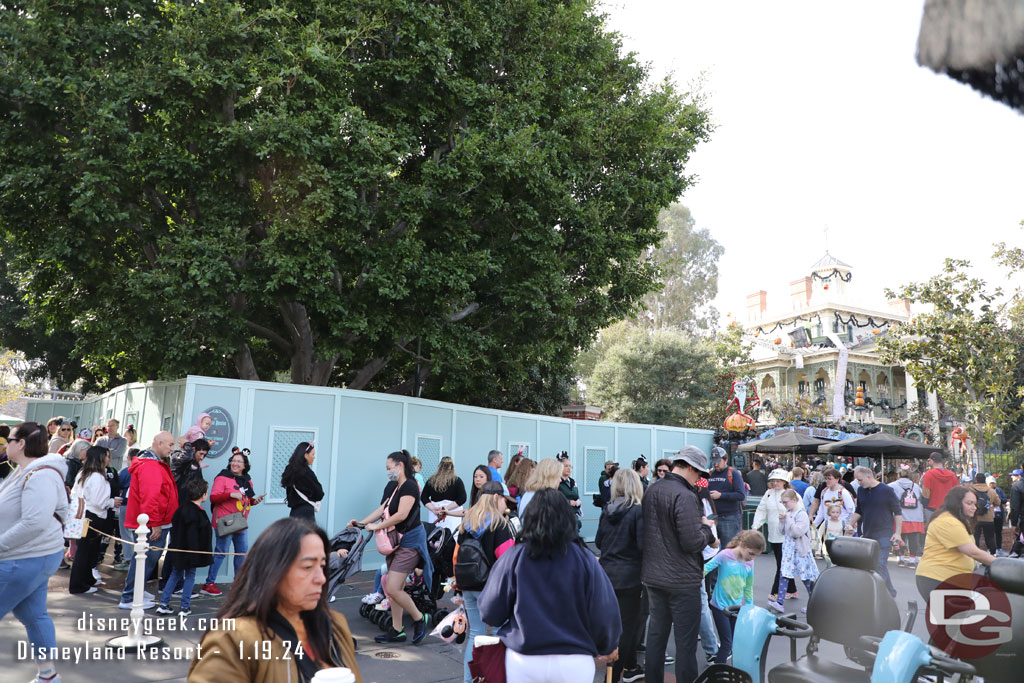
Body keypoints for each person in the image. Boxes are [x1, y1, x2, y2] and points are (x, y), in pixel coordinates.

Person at [188, 518, 363, 683]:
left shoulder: (335, 625)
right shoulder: (232, 640)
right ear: (272, 571)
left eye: (322, 566)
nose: (321, 578)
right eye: (308, 567)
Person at [479, 489, 620, 683]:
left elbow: (490, 610)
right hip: (574, 659)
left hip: (524, 658)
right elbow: (604, 608)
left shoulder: (515, 556)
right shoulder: (585, 558)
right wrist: (608, 644)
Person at [0, 422, 69, 683]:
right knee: (33, 614)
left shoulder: (40, 475)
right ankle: (48, 676)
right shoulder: (23, 470)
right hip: (29, 557)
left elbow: (34, 522)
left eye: (10, 438)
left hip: (23, 558)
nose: (6, 442)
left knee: (34, 615)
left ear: (22, 444)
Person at [641, 446, 715, 683]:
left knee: (656, 637)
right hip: (682, 580)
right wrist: (707, 529)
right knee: (685, 644)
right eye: (700, 474)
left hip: (654, 576)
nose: (700, 479)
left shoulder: (652, 490)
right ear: (691, 468)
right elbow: (691, 542)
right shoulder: (685, 495)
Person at [349, 450, 433, 645]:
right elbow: (382, 510)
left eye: (389, 468)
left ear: (400, 466)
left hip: (410, 542)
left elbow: (402, 514)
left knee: (393, 587)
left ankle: (420, 618)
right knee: (395, 587)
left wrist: (377, 526)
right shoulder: (394, 487)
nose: (388, 472)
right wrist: (360, 523)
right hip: (395, 542)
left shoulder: (411, 486)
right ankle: (397, 630)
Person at [457, 480, 516, 683]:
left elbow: (456, 553)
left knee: (475, 634)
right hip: (491, 589)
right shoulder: (500, 524)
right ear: (496, 498)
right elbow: (507, 559)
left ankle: (468, 680)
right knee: (500, 634)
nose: (506, 506)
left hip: (468, 585)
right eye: (503, 500)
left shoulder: (467, 522)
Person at [596, 468, 645, 683]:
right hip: (630, 577)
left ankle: (619, 670)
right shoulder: (637, 511)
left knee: (611, 627)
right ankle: (615, 675)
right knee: (627, 629)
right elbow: (642, 544)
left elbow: (598, 542)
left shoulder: (607, 510)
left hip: (607, 574)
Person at [119, 431, 178, 610]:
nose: (172, 449)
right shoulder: (150, 465)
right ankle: (130, 596)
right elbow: (150, 497)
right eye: (170, 445)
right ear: (159, 443)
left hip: (155, 520)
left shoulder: (151, 463)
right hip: (154, 522)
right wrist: (155, 524)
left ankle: (136, 591)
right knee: (145, 559)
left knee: (147, 559)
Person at [201, 448, 264, 596]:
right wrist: (230, 494)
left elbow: (246, 500)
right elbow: (213, 498)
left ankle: (238, 583)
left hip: (240, 521)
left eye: (238, 461)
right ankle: (209, 584)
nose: (235, 464)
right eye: (233, 461)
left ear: (245, 465)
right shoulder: (222, 477)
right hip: (225, 519)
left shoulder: (247, 480)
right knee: (221, 552)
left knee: (242, 552)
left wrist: (254, 501)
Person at [916, 486, 996, 601]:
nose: (974, 507)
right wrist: (1001, 564)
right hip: (938, 579)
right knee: (953, 618)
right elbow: (973, 552)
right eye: (969, 503)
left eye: (975, 504)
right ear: (956, 503)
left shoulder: (956, 521)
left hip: (950, 580)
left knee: (957, 618)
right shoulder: (948, 522)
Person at [702, 530, 766, 664]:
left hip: (736, 608)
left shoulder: (750, 563)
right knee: (727, 643)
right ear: (742, 544)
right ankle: (719, 672)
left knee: (735, 643)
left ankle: (732, 671)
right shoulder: (725, 555)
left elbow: (748, 587)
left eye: (756, 555)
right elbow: (706, 568)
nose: (752, 558)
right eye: (751, 553)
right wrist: (691, 577)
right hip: (719, 607)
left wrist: (749, 608)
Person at [157, 477, 212, 616]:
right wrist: (195, 553)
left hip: (178, 550)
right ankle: (185, 607)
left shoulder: (181, 509)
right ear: (203, 494)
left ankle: (164, 603)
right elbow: (193, 536)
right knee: (190, 576)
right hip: (190, 552)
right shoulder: (197, 513)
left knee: (174, 574)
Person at [68, 446, 120, 594]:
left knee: (87, 551)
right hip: (93, 516)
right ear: (100, 458)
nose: (109, 459)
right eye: (107, 456)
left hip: (83, 514)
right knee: (85, 552)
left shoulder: (84, 473)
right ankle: (78, 585)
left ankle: (86, 580)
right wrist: (111, 502)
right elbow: (99, 501)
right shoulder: (97, 476)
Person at [846, 466, 902, 598]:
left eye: (860, 480)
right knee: (876, 564)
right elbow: (859, 510)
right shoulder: (861, 490)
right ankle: (890, 592)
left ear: (869, 477)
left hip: (884, 533)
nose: (858, 483)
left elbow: (898, 512)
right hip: (868, 533)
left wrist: (898, 533)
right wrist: (850, 523)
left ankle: (877, 595)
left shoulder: (887, 490)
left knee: (879, 563)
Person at [768, 489, 818, 613]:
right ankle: (779, 602)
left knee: (805, 578)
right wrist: (782, 521)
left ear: (794, 500)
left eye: (786, 502)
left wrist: (788, 520)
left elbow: (796, 532)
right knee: (784, 574)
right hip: (789, 551)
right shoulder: (789, 513)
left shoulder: (801, 514)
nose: (784, 505)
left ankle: (815, 603)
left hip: (800, 551)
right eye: (782, 502)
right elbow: (783, 531)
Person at [753, 469, 797, 601]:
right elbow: (761, 510)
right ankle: (792, 590)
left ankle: (776, 592)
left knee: (782, 564)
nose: (775, 483)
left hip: (787, 535)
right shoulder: (768, 494)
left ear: (784, 482)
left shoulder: (790, 494)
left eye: (778, 481)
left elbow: (799, 511)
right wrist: (755, 526)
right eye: (773, 481)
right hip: (774, 534)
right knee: (782, 562)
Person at [706, 446, 746, 548]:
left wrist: (721, 495)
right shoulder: (709, 474)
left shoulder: (733, 473)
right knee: (712, 550)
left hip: (729, 517)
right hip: (713, 517)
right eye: (714, 462)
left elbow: (741, 495)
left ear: (725, 460)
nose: (715, 464)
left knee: (729, 549)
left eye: (718, 462)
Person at [889, 466, 925, 568]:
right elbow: (922, 499)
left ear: (898, 475)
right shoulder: (916, 487)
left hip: (900, 516)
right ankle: (912, 561)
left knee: (900, 538)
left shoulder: (892, 486)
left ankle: (900, 559)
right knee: (913, 539)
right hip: (915, 517)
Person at [421, 456, 467, 532]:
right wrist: (447, 509)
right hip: (452, 514)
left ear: (439, 466)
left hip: (436, 513)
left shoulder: (431, 480)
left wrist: (433, 508)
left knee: (434, 537)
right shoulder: (457, 481)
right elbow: (462, 498)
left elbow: (423, 497)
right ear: (452, 468)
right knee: (451, 538)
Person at [282, 441, 323, 520]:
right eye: (313, 454)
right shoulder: (306, 472)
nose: (314, 457)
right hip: (306, 513)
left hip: (294, 512)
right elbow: (319, 494)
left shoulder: (290, 470)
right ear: (306, 455)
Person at [113, 448, 139, 571]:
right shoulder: (142, 470)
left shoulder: (126, 471)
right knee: (136, 534)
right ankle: (134, 560)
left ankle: (129, 559)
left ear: (129, 459)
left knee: (126, 533)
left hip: (126, 505)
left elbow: (117, 485)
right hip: (139, 507)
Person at [921, 452, 959, 523]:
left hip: (932, 509)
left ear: (932, 461)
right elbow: (957, 493)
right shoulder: (952, 475)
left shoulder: (928, 474)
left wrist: (924, 505)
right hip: (948, 509)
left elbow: (926, 493)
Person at [969, 472, 1001, 553]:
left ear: (976, 480)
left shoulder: (971, 490)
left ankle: (975, 555)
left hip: (975, 517)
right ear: (985, 481)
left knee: (975, 537)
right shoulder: (991, 491)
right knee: (990, 537)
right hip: (988, 518)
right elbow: (998, 503)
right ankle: (993, 553)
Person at [817, 503, 846, 567]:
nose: (835, 514)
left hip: (839, 548)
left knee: (838, 565)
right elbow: (819, 535)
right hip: (827, 549)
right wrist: (818, 550)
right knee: (830, 565)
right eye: (833, 512)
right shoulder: (826, 523)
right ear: (829, 512)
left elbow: (846, 536)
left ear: (840, 513)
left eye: (837, 512)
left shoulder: (843, 523)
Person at [989, 475, 1008, 556]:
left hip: (999, 514)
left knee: (998, 532)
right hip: (990, 514)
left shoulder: (999, 490)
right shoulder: (986, 491)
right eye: (990, 483)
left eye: (993, 483)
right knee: (990, 532)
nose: (992, 485)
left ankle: (999, 548)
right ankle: (991, 549)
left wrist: (998, 498)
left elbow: (1004, 500)